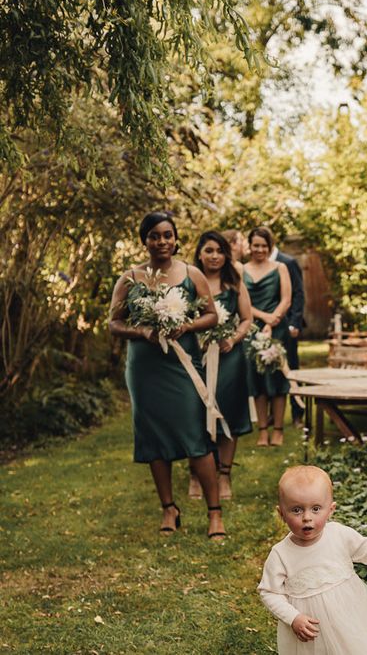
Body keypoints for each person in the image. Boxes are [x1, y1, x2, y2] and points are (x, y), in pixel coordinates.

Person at [109, 211, 226, 539]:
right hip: (145, 369)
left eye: (167, 235)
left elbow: (212, 315)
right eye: (154, 236)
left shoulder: (191, 274)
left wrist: (187, 324)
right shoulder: (129, 278)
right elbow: (114, 323)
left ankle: (215, 513)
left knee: (196, 437)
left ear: (176, 239)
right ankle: (169, 508)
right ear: (144, 240)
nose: (161, 241)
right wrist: (142, 331)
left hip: (182, 366)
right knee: (153, 438)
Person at [259, 465, 367, 654]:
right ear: (282, 514)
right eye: (296, 510)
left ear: (330, 509)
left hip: (347, 619)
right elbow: (269, 592)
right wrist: (293, 618)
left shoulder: (339, 535)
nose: (307, 517)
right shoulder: (281, 554)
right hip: (310, 632)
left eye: (316, 508)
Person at [187, 231, 254, 501]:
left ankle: (224, 474)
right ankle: (195, 474)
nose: (214, 256)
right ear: (200, 254)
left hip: (229, 358)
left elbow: (246, 319)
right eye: (209, 251)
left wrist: (232, 338)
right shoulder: (189, 283)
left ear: (226, 255)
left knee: (228, 413)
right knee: (194, 415)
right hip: (196, 359)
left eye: (219, 251)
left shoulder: (234, 281)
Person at [244, 226, 291, 446]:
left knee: (278, 379)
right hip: (251, 329)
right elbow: (241, 302)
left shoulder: (280, 267)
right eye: (256, 245)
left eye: (264, 245)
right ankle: (263, 430)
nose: (260, 249)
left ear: (269, 247)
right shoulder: (241, 270)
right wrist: (264, 318)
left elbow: (286, 298)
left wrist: (274, 319)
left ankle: (279, 429)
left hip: (277, 328)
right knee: (257, 381)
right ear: (249, 246)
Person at [271, 240, 306, 427]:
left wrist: (294, 324)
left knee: (291, 369)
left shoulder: (288, 262)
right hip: (266, 327)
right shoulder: (254, 263)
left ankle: (297, 413)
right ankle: (271, 416)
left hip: (287, 327)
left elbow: (299, 293)